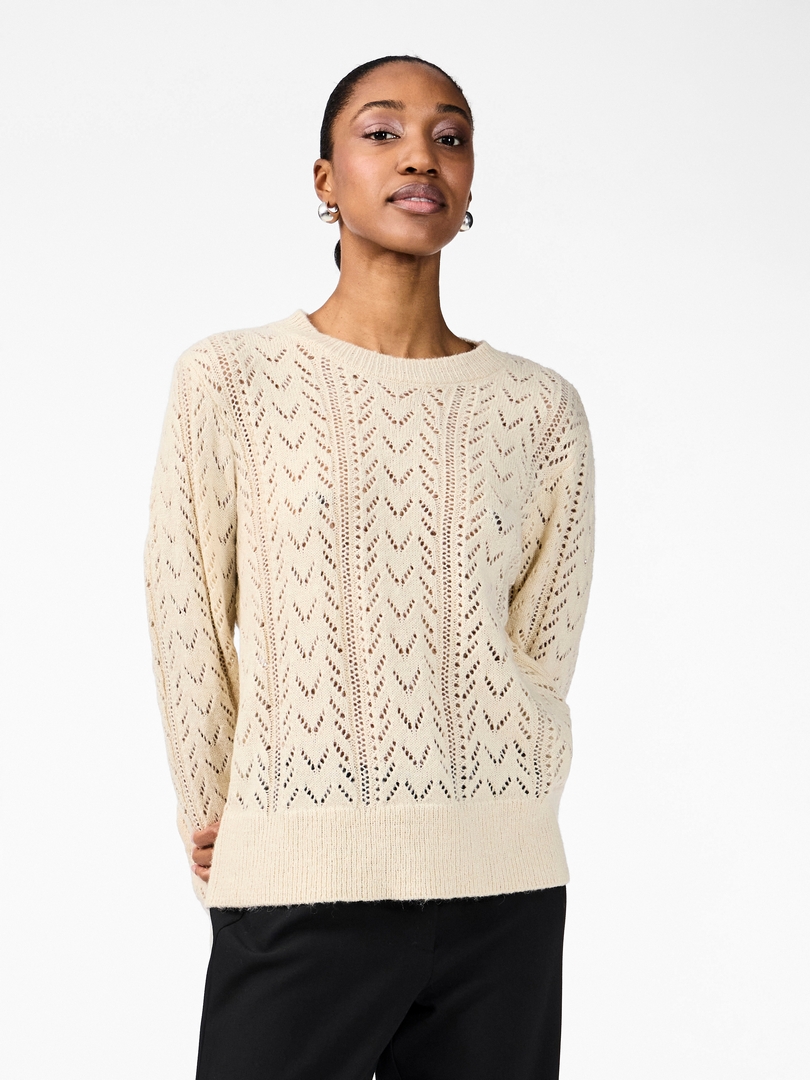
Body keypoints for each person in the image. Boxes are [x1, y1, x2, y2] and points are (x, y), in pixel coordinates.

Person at [144, 53, 595, 1080]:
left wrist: (510, 797)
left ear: (470, 179)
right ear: (325, 179)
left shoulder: (538, 408)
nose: (420, 157)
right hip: (298, 877)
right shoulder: (232, 379)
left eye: (450, 136)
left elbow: (545, 645)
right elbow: (187, 605)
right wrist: (214, 808)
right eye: (382, 132)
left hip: (501, 888)